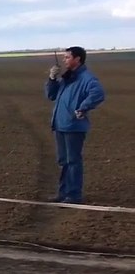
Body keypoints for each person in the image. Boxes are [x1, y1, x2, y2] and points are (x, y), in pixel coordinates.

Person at [45, 46, 105, 204]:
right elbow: (51, 95)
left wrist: (83, 107)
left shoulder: (86, 78)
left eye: (67, 57)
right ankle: (63, 193)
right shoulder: (67, 77)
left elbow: (98, 93)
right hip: (60, 125)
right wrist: (52, 78)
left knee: (73, 161)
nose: (64, 60)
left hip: (73, 126)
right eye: (64, 57)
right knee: (64, 161)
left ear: (77, 59)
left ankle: (73, 195)